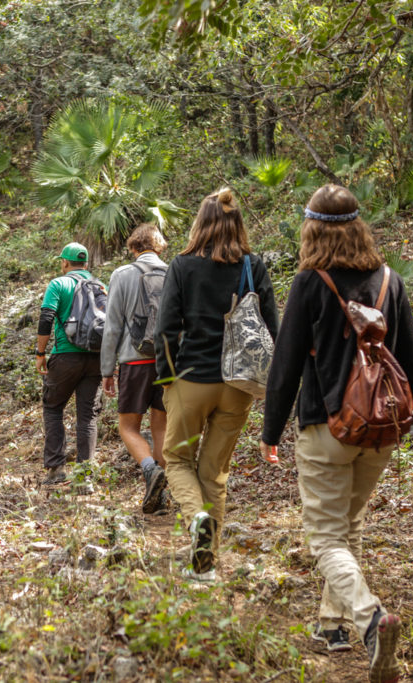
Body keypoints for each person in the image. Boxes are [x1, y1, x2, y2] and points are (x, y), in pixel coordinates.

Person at [260, 184, 413, 683]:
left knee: (325, 536)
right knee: (350, 522)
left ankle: (368, 620)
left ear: (311, 228)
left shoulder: (309, 283)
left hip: (327, 427)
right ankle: (332, 626)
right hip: (383, 429)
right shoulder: (391, 281)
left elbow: (287, 363)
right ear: (361, 226)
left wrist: (270, 431)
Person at [154, 188, 279, 582]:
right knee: (215, 473)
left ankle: (196, 520)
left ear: (200, 223)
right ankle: (204, 567)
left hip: (191, 379)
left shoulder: (183, 265)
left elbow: (166, 330)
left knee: (175, 460)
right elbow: (272, 329)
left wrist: (166, 378)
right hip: (238, 386)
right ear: (237, 224)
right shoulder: (253, 266)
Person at [100, 223, 170, 514]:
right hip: (168, 363)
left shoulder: (123, 274)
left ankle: (150, 469)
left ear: (133, 248)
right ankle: (162, 495)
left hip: (135, 360)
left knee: (128, 426)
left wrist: (107, 369)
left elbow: (113, 324)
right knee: (161, 425)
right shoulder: (173, 272)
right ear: (160, 246)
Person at [35, 242, 104, 490]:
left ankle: (56, 469)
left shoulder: (58, 283)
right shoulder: (99, 285)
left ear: (65, 262)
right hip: (95, 358)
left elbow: (46, 317)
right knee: (88, 416)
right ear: (86, 263)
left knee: (53, 407)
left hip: (65, 356)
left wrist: (40, 352)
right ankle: (85, 477)